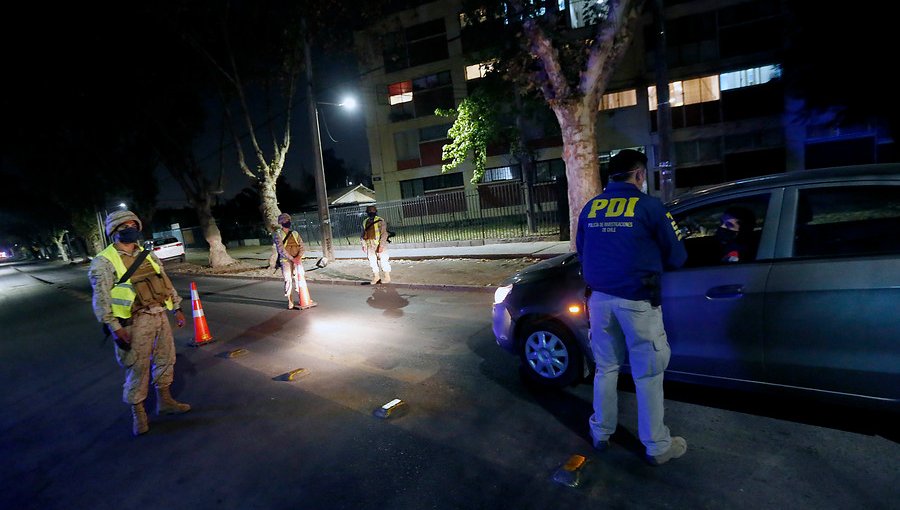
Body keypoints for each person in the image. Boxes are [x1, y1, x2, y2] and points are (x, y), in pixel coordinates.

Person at [575, 149, 688, 466]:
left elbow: (582, 251)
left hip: (598, 301)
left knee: (605, 369)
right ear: (639, 175)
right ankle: (657, 446)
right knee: (648, 375)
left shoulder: (591, 208)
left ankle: (600, 433)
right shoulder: (649, 206)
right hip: (637, 302)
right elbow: (678, 256)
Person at [88, 210, 190, 437]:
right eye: (125, 226)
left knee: (166, 359)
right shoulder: (103, 262)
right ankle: (139, 415)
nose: (131, 229)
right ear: (114, 232)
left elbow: (164, 281)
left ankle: (165, 402)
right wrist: (115, 328)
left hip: (159, 314)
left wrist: (178, 308)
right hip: (132, 323)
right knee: (138, 367)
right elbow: (102, 299)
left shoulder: (148, 255)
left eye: (134, 224)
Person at [273, 212, 316, 309]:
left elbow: (302, 246)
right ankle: (290, 300)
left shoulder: (295, 233)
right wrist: (293, 259)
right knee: (288, 280)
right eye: (285, 220)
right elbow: (281, 249)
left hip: (297, 260)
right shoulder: (278, 234)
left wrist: (298, 257)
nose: (287, 221)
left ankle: (302, 298)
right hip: (286, 260)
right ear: (281, 222)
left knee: (299, 278)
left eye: (288, 220)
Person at [360, 205, 392, 285]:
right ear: (367, 213)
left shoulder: (380, 221)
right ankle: (376, 277)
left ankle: (387, 277)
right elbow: (362, 235)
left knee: (384, 260)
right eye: (369, 212)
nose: (371, 213)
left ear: (375, 212)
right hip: (370, 245)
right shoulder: (365, 222)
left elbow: (384, 234)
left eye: (372, 211)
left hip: (380, 244)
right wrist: (364, 245)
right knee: (372, 262)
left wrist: (381, 246)